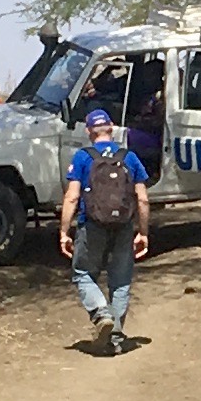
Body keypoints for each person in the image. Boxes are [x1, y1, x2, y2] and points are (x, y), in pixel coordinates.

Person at [56, 107, 149, 355]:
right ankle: (116, 339)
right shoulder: (129, 157)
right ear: (111, 127)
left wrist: (64, 231)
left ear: (89, 132)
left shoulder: (83, 157)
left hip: (92, 224)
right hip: (124, 226)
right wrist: (143, 232)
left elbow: (72, 197)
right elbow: (142, 200)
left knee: (82, 273)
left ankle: (101, 314)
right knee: (120, 283)